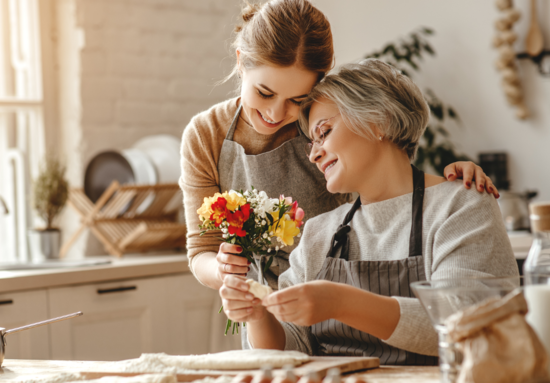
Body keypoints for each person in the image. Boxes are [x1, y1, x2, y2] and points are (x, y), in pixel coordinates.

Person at [180, 0, 498, 294]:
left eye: (297, 100)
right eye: (264, 93)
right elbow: (201, 250)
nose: (276, 114)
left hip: (340, 299)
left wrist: (447, 186)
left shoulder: (328, 123)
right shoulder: (206, 135)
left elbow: (386, 193)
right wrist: (224, 270)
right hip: (262, 309)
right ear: (240, 63)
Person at [218, 59, 519, 364]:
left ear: (379, 121)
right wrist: (258, 316)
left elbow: (464, 323)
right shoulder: (319, 233)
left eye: (324, 132)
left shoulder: (460, 205)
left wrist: (340, 302)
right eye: (311, 142)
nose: (314, 154)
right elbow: (290, 348)